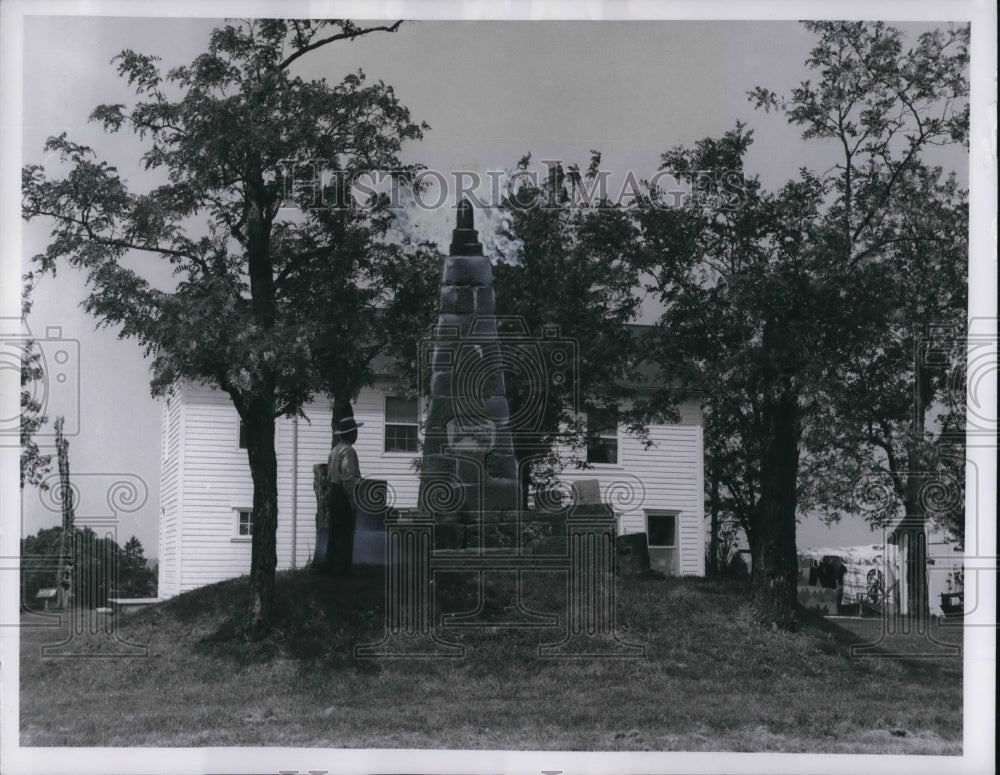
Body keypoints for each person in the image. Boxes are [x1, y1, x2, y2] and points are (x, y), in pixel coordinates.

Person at [326, 415, 363, 576]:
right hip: (342, 493)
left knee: (334, 532)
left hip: (333, 492)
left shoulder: (334, 450)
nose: (356, 434)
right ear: (350, 433)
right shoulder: (348, 451)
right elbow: (348, 478)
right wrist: (353, 500)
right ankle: (341, 571)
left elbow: (329, 474)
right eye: (355, 431)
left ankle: (331, 568)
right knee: (345, 533)